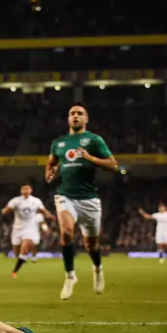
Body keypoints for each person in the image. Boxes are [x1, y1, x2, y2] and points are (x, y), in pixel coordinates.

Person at [45, 102, 118, 300]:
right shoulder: (58, 143)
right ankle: (70, 276)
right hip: (65, 195)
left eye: (80, 113)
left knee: (91, 246)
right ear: (68, 119)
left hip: (89, 199)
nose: (75, 116)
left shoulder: (93, 140)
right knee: (66, 233)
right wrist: (49, 172)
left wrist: (90, 158)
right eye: (72, 113)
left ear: (86, 119)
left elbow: (113, 165)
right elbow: (51, 163)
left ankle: (97, 269)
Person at [1, 185, 54, 278]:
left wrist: (49, 215)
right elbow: (7, 209)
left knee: (26, 246)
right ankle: (22, 258)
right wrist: (5, 211)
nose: (26, 191)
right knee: (16, 251)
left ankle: (14, 271)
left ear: (31, 190)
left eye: (27, 189)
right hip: (18, 228)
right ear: (21, 191)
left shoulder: (36, 201)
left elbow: (43, 211)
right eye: (24, 189)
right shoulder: (15, 200)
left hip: (30, 228)